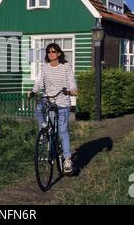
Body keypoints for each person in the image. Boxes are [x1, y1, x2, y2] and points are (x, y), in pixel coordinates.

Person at [29, 43, 78, 174]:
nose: (51, 54)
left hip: (62, 102)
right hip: (49, 99)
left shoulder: (66, 67)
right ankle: (44, 128)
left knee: (62, 131)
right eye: (48, 52)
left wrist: (71, 91)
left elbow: (72, 84)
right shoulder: (45, 68)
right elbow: (39, 82)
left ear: (59, 53)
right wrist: (33, 91)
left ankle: (67, 160)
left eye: (53, 51)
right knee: (39, 108)